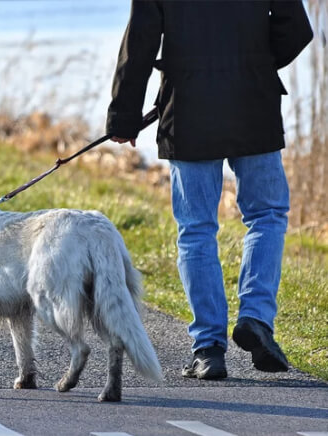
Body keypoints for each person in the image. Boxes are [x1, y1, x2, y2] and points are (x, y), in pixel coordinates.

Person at [106, 1, 313, 379]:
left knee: (196, 228)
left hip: (188, 110)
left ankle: (208, 349)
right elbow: (297, 30)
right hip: (255, 104)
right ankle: (256, 318)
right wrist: (256, 63)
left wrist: (124, 115)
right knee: (267, 215)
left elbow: (140, 41)